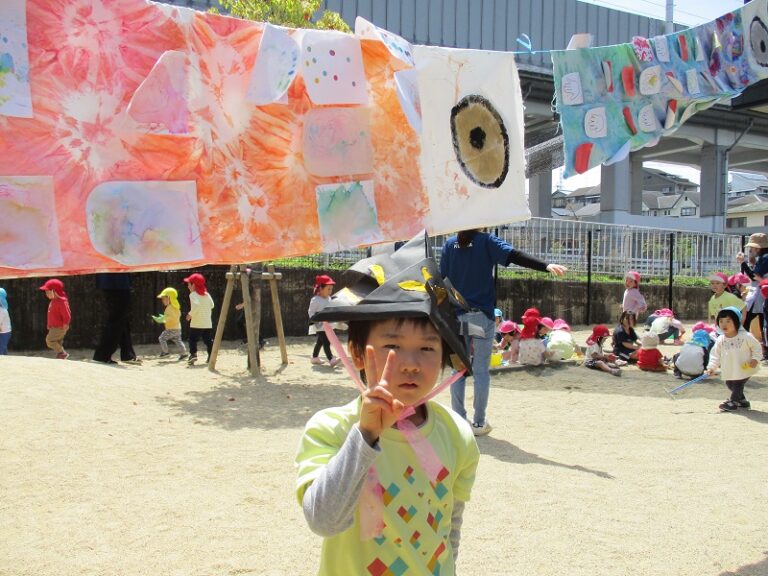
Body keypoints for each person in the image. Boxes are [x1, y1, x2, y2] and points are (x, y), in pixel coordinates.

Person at [297, 232, 479, 575]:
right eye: (392, 346)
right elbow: (323, 520)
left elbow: (450, 525)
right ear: (357, 354)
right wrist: (364, 435)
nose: (410, 363)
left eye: (427, 348)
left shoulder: (456, 434)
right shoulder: (331, 428)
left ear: (444, 356)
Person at [439, 229, 567, 436]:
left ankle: (459, 420)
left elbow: (441, 279)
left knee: (458, 370)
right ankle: (479, 422)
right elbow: (514, 255)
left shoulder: (449, 243)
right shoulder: (486, 241)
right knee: (480, 371)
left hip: (457, 318)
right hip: (481, 317)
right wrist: (545, 265)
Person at [707, 306, 762, 412]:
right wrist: (711, 367)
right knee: (730, 383)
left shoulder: (746, 336)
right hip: (729, 369)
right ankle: (742, 401)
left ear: (737, 321)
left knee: (738, 384)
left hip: (745, 367)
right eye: (721, 321)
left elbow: (757, 347)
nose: (724, 324)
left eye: (728, 321)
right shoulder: (720, 339)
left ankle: (732, 402)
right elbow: (715, 355)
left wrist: (755, 359)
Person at [92, 273, 141, 365]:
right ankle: (102, 355)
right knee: (117, 319)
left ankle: (128, 354)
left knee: (121, 317)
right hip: (117, 282)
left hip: (111, 282)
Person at [737, 233, 768, 358]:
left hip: (759, 293)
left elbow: (754, 276)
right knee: (763, 321)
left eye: (752, 248)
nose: (750, 250)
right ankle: (765, 350)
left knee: (746, 318)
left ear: (758, 248)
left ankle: (741, 345)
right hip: (762, 292)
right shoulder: (764, 258)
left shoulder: (765, 258)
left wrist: (743, 263)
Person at [308, 274, 341, 367]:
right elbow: (311, 311)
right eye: (328, 289)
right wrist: (315, 320)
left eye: (331, 289)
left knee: (320, 341)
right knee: (326, 341)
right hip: (319, 324)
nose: (330, 291)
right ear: (321, 289)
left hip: (328, 324)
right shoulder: (315, 299)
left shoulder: (329, 298)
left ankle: (314, 357)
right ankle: (331, 359)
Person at [184, 273, 215, 365]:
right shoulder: (207, 294)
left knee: (192, 339)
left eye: (189, 284)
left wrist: (190, 314)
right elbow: (212, 305)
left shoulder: (193, 295)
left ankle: (193, 355)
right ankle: (211, 356)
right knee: (208, 340)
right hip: (207, 323)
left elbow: (196, 306)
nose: (188, 286)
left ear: (193, 285)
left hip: (197, 323)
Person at [39, 279, 71, 360]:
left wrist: (66, 323)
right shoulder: (53, 301)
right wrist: (49, 325)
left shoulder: (62, 301)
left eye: (48, 292)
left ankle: (63, 353)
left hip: (59, 327)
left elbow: (67, 314)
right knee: (58, 341)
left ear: (54, 291)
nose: (46, 294)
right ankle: (61, 355)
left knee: (49, 341)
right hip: (54, 326)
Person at [152, 287, 188, 359]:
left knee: (162, 338)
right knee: (178, 341)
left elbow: (172, 318)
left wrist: (163, 319)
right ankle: (184, 353)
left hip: (171, 329)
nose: (162, 300)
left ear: (169, 298)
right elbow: (174, 316)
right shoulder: (175, 306)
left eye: (163, 298)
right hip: (177, 328)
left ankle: (165, 352)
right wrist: (164, 317)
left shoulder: (170, 307)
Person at [0, 287, 10, 355]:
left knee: (1, 350)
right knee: (3, 349)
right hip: (2, 332)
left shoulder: (2, 311)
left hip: (4, 333)